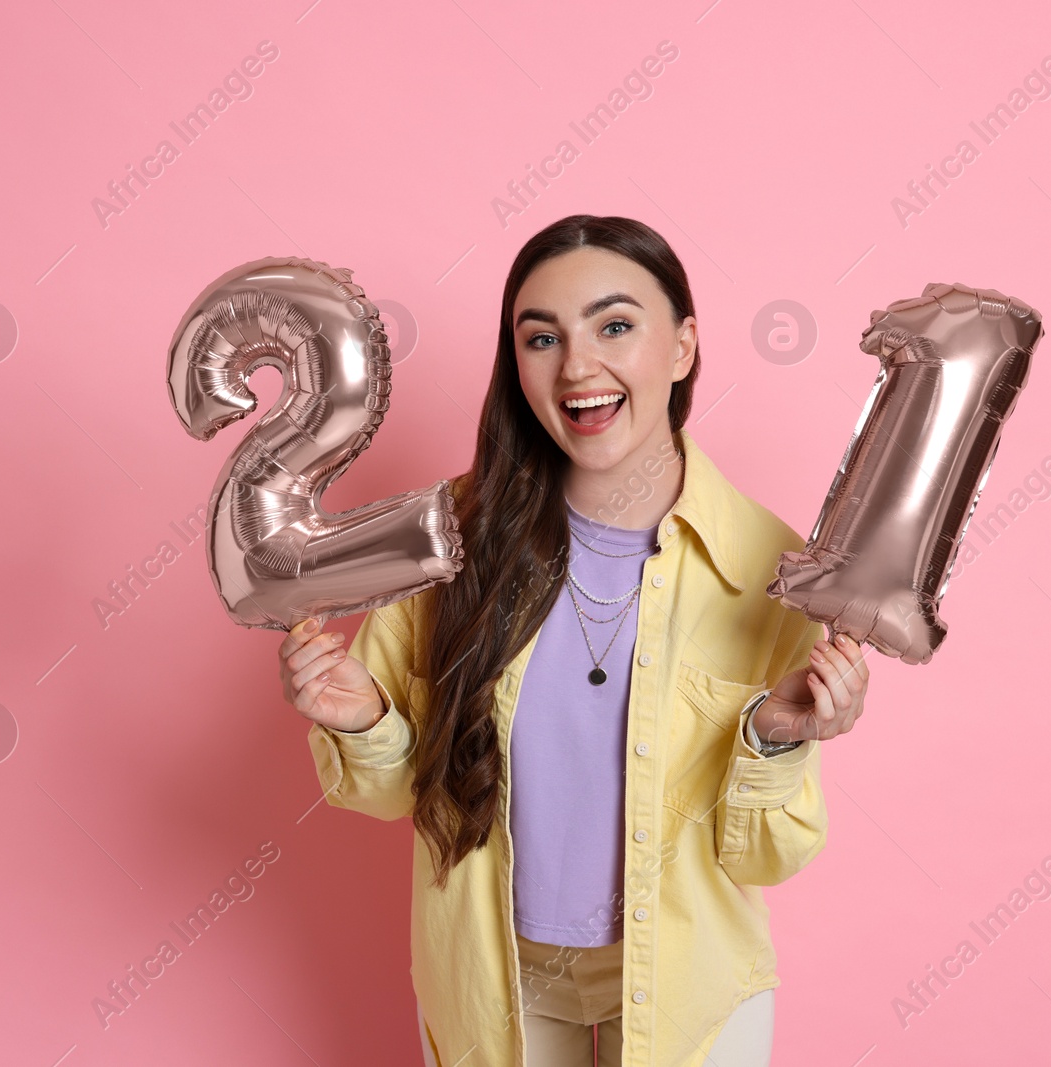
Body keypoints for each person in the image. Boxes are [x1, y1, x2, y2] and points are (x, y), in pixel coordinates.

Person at [279, 215, 868, 1067]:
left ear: (684, 346)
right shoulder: (447, 540)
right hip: (497, 983)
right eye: (542, 337)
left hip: (690, 988)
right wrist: (364, 717)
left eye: (616, 326)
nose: (578, 367)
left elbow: (763, 855)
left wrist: (772, 738)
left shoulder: (769, 571)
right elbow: (392, 794)